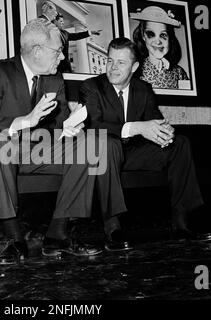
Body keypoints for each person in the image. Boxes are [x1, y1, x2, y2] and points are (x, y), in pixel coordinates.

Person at [0, 18, 104, 265]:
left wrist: (70, 129)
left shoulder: (55, 79)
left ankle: (57, 235)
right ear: (37, 50)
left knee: (89, 144)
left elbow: (59, 128)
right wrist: (25, 120)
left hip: (34, 152)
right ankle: (15, 239)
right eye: (58, 51)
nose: (62, 58)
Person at [79, 37, 209, 251]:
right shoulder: (91, 87)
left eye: (121, 63)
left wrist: (164, 133)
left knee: (180, 143)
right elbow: (93, 125)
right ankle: (112, 227)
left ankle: (182, 220)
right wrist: (137, 127)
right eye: (110, 61)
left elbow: (154, 120)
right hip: (104, 155)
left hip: (134, 152)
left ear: (135, 66)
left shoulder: (143, 89)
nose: (113, 67)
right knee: (107, 145)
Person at [130, 6, 189, 89]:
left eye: (163, 35)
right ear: (143, 36)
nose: (158, 42)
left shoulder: (179, 72)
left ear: (170, 38)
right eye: (151, 34)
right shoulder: (136, 70)